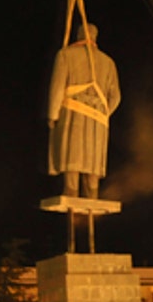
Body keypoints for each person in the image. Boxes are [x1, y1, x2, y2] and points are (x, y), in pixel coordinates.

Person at [48, 22, 121, 199]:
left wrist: (53, 115)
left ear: (79, 35)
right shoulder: (108, 62)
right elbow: (116, 97)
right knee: (93, 160)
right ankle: (93, 195)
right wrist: (102, 114)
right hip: (98, 120)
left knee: (72, 156)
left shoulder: (65, 55)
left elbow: (57, 88)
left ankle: (71, 192)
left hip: (73, 112)